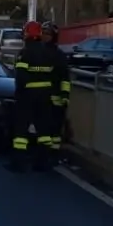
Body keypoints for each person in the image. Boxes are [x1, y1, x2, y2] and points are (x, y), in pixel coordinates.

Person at [9, 20, 59, 171]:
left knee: (21, 132)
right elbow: (54, 75)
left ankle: (19, 163)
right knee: (44, 131)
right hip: (45, 97)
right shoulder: (48, 52)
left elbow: (21, 77)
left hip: (27, 97)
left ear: (27, 34)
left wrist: (19, 94)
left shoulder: (25, 53)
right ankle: (42, 163)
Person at [40, 21, 71, 164]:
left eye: (48, 34)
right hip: (41, 97)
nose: (45, 36)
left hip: (56, 98)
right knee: (43, 128)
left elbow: (65, 78)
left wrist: (65, 96)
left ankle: (53, 154)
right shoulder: (37, 52)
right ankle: (43, 155)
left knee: (55, 130)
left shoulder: (59, 55)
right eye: (44, 33)